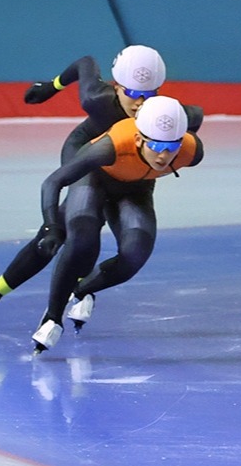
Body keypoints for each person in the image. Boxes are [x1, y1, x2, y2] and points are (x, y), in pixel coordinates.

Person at [0, 46, 203, 330]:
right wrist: (51, 86)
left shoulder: (169, 118)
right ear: (116, 86)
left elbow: (190, 128)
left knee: (129, 247)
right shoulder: (97, 100)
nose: (141, 102)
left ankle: (80, 288)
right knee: (79, 232)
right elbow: (86, 62)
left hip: (130, 176)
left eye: (150, 94)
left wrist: (162, 147)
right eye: (132, 93)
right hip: (88, 158)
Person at [30, 95, 203, 353]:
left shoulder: (191, 151)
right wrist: (51, 226)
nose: (164, 155)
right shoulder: (110, 146)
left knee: (135, 254)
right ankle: (52, 318)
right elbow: (52, 182)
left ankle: (82, 289)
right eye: (155, 145)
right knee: (82, 241)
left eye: (171, 146)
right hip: (95, 181)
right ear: (138, 139)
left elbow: (196, 113)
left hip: (135, 190)